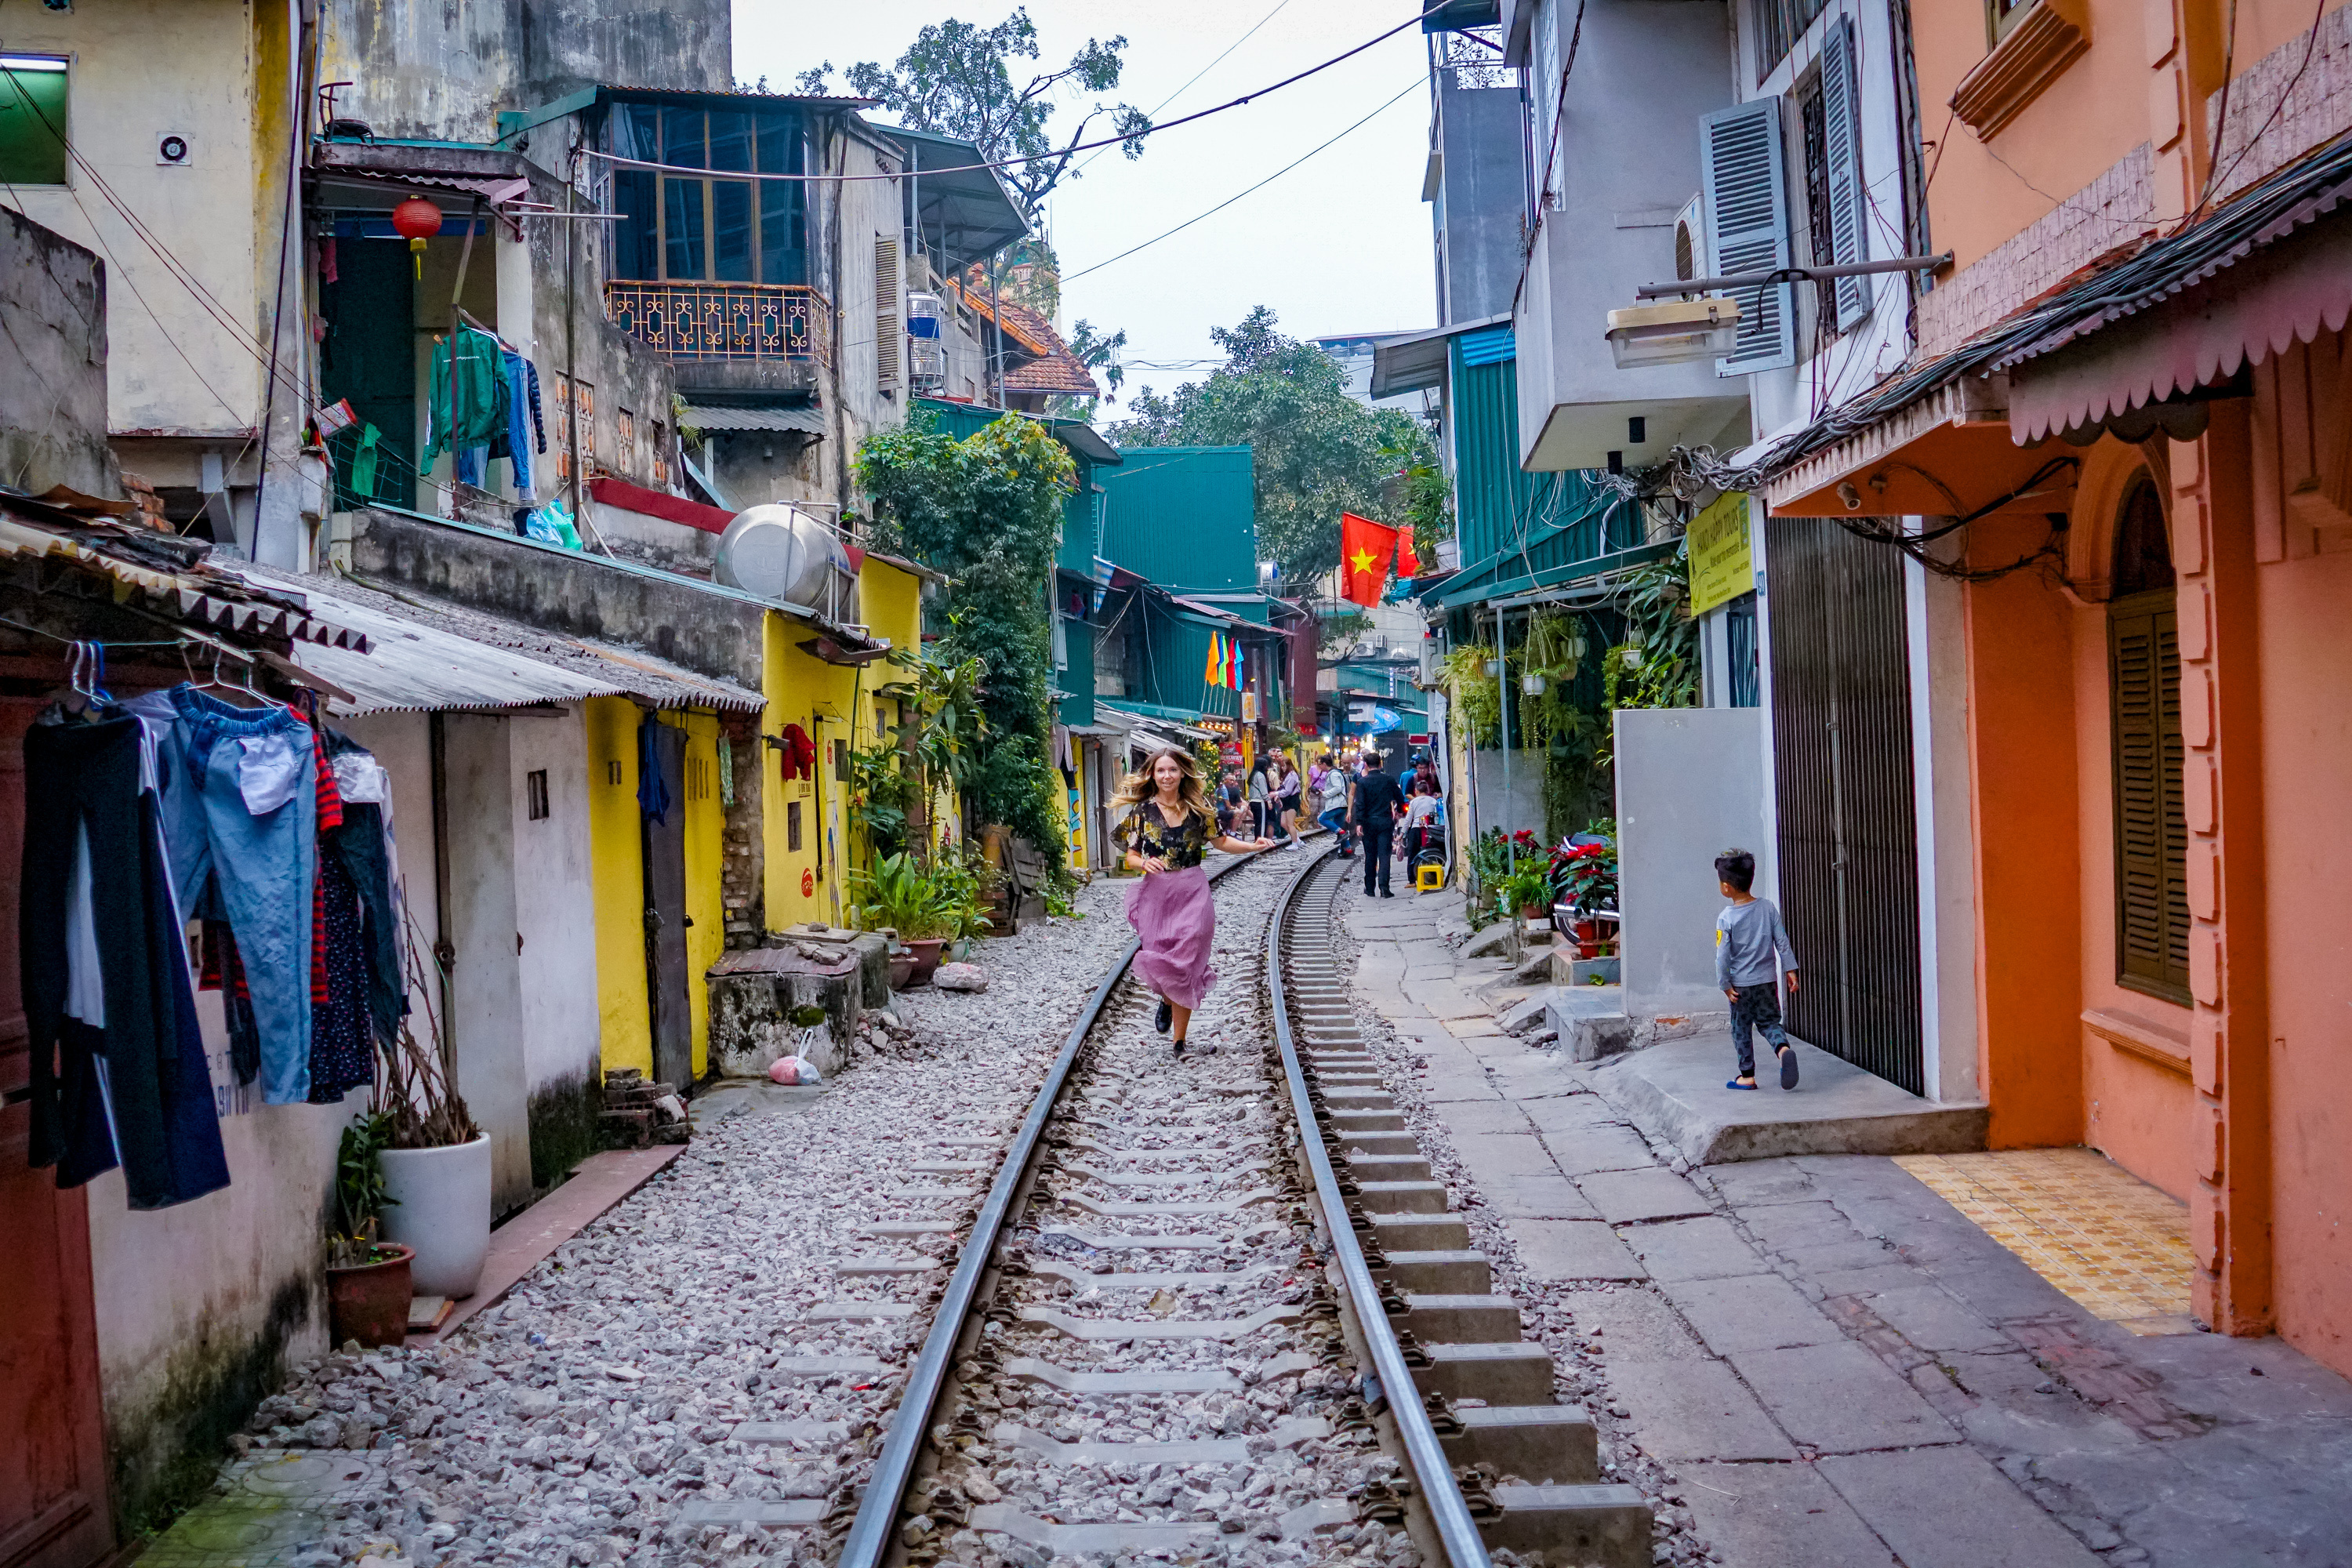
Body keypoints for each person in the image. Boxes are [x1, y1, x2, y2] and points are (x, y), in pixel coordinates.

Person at [1112, 747, 1274, 1054]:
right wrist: (1143, 864)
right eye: (1160, 771)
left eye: (1172, 770)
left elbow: (1222, 841)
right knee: (1165, 959)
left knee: (1187, 961)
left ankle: (1179, 1042)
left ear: (1182, 773)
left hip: (1193, 890)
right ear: (1152, 775)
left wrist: (1253, 846)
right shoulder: (1143, 813)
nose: (1167, 776)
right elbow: (1130, 855)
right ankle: (1165, 999)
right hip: (1158, 895)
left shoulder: (1199, 809)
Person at [1714, 848, 1801, 1091]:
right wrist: (1790, 970)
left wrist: (1725, 984)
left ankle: (1747, 1076)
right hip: (1766, 982)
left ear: (1727, 887)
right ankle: (1783, 1050)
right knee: (1770, 1022)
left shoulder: (1726, 918)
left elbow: (1722, 956)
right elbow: (1781, 941)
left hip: (1740, 986)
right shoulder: (1767, 907)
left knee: (1741, 1028)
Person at [1348, 752, 1407, 898]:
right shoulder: (1388, 780)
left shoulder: (1362, 782)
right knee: (1385, 855)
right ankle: (1384, 888)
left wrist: (1359, 823)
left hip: (1368, 822)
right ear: (1380, 764)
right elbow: (1400, 798)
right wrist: (1400, 812)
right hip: (1385, 821)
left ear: (1366, 765)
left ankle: (1369, 888)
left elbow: (1360, 804)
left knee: (1370, 855)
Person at [1316, 755, 1353, 855]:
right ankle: (1348, 848)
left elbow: (1337, 788)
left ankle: (1341, 833)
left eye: (1320, 764)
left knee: (1321, 819)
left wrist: (1325, 794)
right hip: (1340, 804)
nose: (1319, 766)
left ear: (1324, 764)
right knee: (1339, 825)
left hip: (1336, 804)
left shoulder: (1333, 774)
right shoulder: (1336, 773)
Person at [1246, 760, 1270, 840]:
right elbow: (1263, 790)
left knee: (1257, 822)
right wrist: (1268, 800)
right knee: (1262, 823)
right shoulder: (1260, 775)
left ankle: (1257, 839)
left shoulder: (1253, 775)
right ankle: (1262, 839)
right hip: (1260, 802)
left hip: (1253, 801)